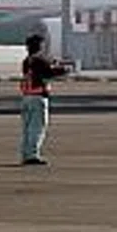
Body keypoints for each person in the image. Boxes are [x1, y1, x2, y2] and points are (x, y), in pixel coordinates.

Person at [18, 32, 72, 165]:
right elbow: (49, 72)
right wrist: (65, 69)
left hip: (26, 97)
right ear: (40, 46)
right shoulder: (40, 60)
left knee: (27, 128)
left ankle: (26, 153)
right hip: (38, 97)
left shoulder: (27, 61)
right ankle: (32, 155)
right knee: (37, 128)